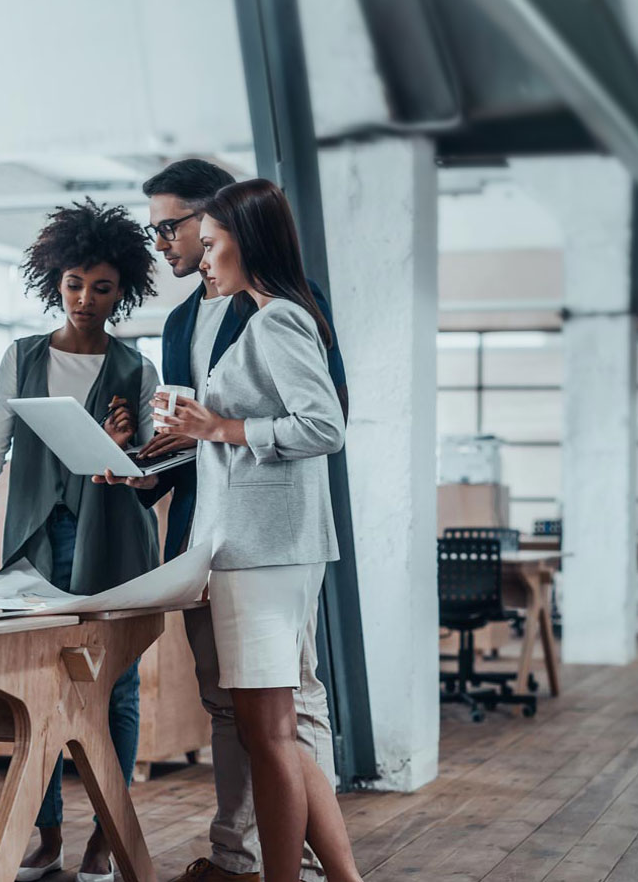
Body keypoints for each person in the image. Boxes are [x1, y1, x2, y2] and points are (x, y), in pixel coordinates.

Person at [113, 179, 361, 882]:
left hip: (264, 547)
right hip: (242, 542)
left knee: (273, 733)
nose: (205, 258)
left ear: (245, 243)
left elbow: (326, 427)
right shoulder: (257, 314)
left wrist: (220, 425)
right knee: (269, 731)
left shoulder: (277, 319)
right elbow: (224, 440)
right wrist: (154, 455)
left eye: (214, 244)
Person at [0, 199, 160, 882]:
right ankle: (50, 831)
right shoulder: (22, 358)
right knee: (36, 687)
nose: (86, 299)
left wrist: (120, 451)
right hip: (37, 540)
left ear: (124, 292)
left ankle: (104, 837)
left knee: (112, 688)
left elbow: (147, 481)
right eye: (74, 284)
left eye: (103, 287)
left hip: (115, 544)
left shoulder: (135, 371)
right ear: (54, 283)